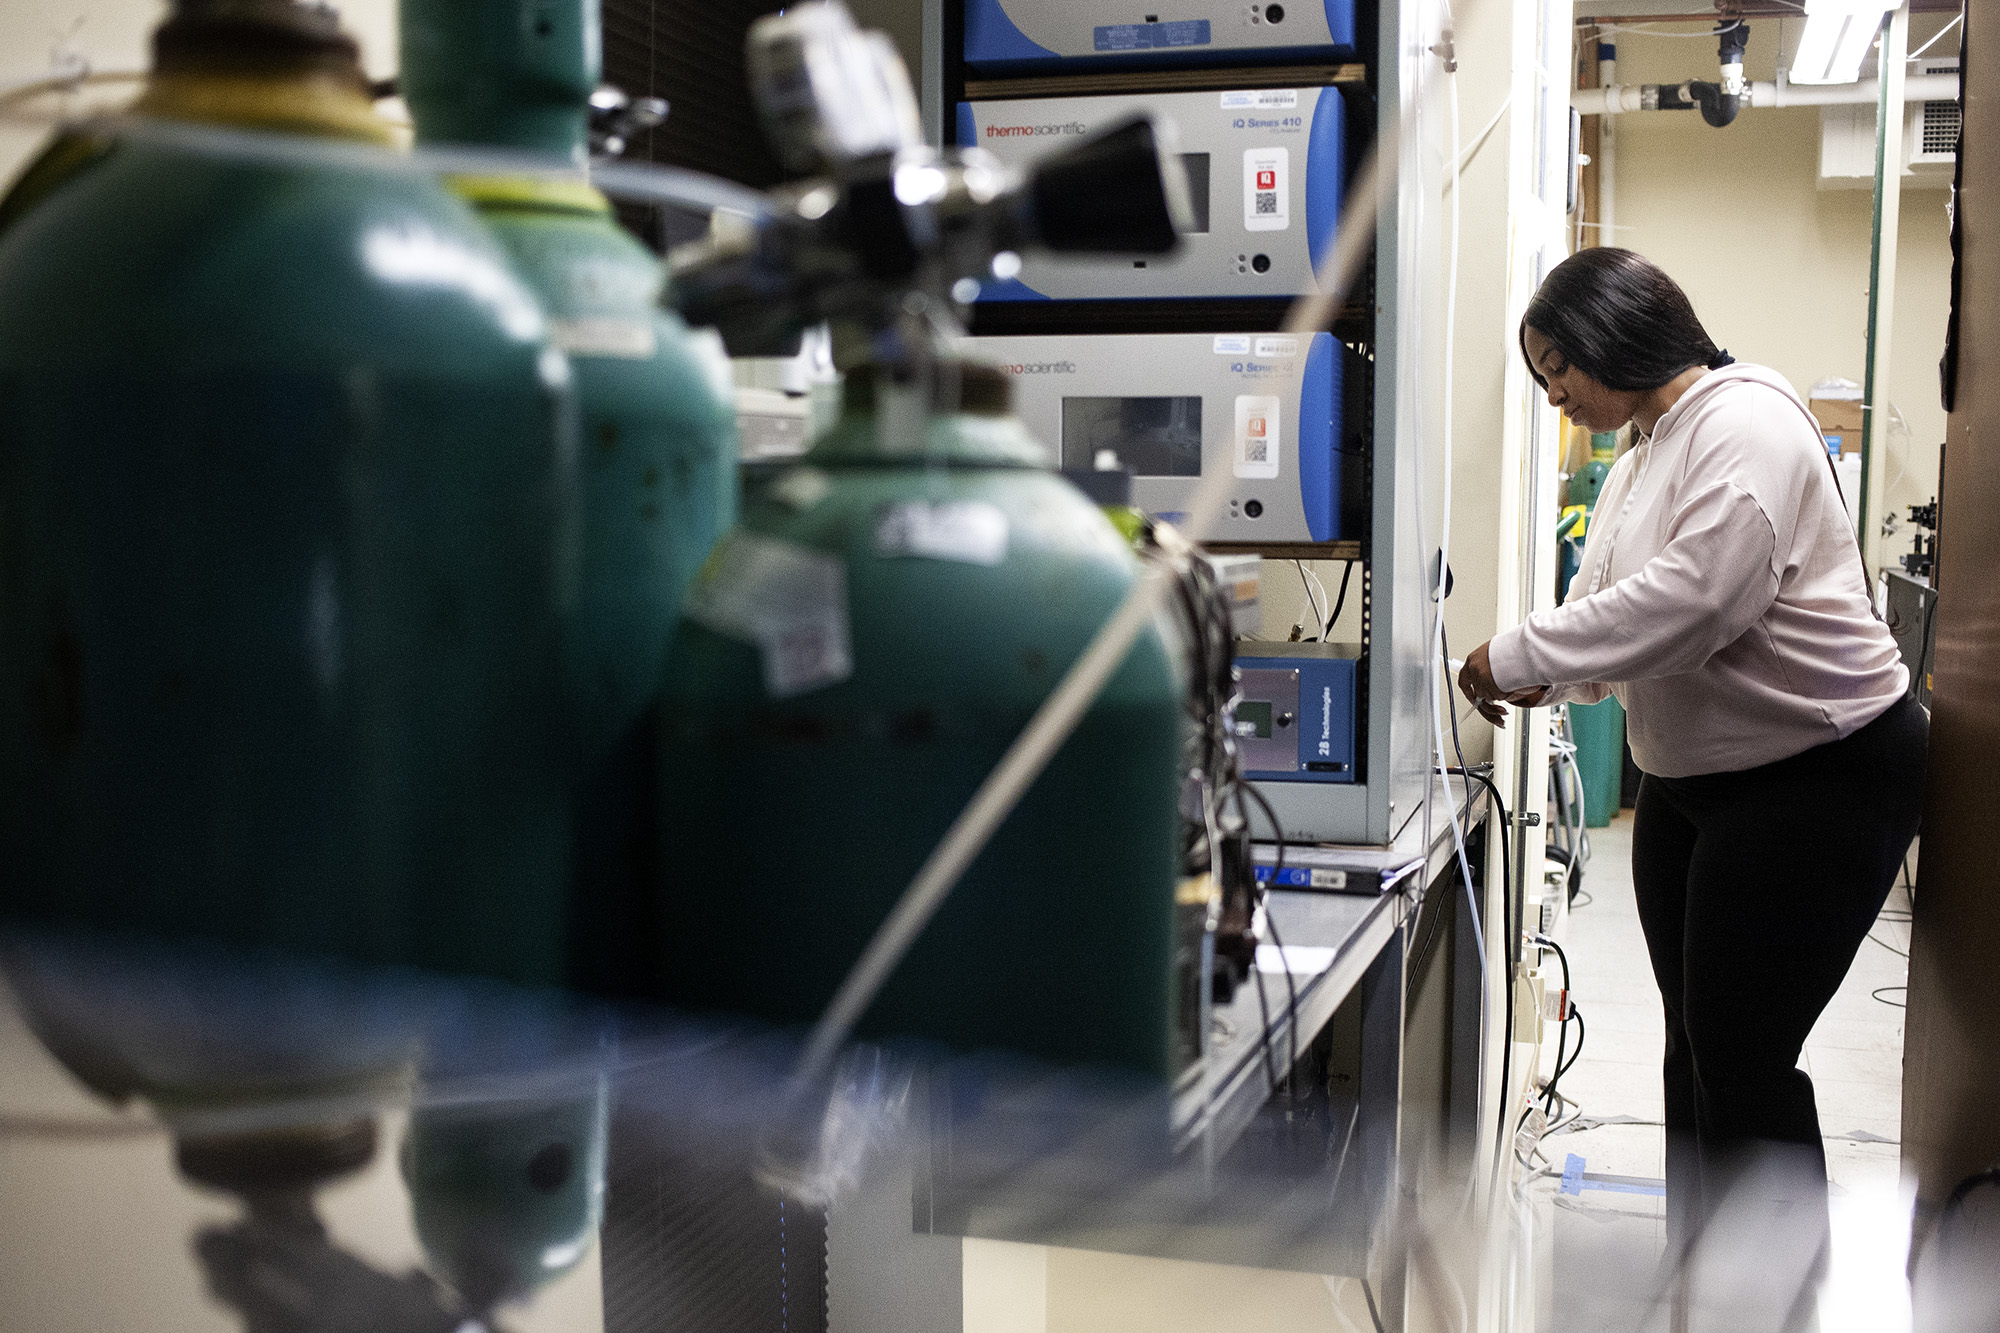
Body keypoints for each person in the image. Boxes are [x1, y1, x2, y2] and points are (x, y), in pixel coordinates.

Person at [1457, 247, 1927, 1273]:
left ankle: (1773, 1295)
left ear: (1612, 334)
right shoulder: (1639, 454)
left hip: (1817, 773)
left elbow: (1697, 600)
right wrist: (1558, 676)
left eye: (1558, 368)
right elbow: (1608, 613)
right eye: (1542, 378)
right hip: (1693, 785)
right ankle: (1705, 1273)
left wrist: (1521, 653)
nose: (1556, 395)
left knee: (1743, 1058)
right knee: (1693, 1049)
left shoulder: (1743, 421)